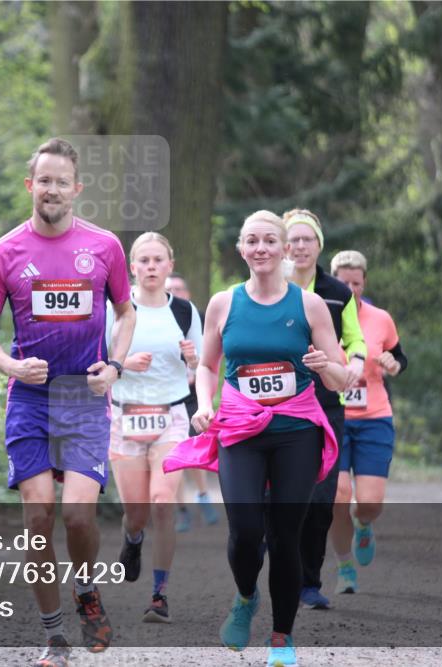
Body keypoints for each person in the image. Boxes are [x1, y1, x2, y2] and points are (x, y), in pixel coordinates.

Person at [0, 138, 136, 666]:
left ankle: (86, 590)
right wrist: (11, 365)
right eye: (44, 180)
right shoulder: (3, 252)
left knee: (78, 518)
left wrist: (113, 366)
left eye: (62, 181)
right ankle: (54, 638)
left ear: (76, 189)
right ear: (30, 186)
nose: (53, 190)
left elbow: (127, 313)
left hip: (83, 398)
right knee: (38, 516)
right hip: (31, 399)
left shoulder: (105, 246)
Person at [164, 210, 347, 667]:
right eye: (252, 241)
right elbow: (207, 366)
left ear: (285, 249)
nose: (261, 248)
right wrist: (204, 405)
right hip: (241, 429)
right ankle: (246, 597)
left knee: (286, 533)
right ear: (241, 249)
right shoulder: (224, 304)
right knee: (246, 530)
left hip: (295, 431)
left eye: (270, 240)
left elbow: (343, 377)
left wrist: (325, 367)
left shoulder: (310, 306)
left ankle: (282, 638)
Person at [107, 235, 203, 624]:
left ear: (169, 264)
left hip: (172, 417)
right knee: (137, 512)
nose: (150, 266)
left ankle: (159, 594)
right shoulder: (114, 310)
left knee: (163, 503)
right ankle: (133, 539)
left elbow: (199, 369)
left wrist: (194, 362)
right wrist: (124, 362)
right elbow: (95, 363)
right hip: (124, 416)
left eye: (157, 260)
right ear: (132, 267)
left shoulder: (184, 311)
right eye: (143, 260)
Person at [281, 209, 366, 611]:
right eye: (293, 240)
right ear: (284, 245)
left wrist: (355, 367)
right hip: (276, 403)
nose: (299, 246)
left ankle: (309, 582)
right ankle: (277, 565)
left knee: (321, 496)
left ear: (319, 245)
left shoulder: (338, 291)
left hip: (326, 403)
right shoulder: (269, 286)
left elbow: (357, 341)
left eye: (307, 239)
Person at [328, 250, 408, 596]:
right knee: (339, 494)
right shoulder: (322, 316)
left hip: (375, 417)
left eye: (356, 283)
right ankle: (345, 566)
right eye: (343, 283)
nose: (350, 288)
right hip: (335, 417)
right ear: (333, 282)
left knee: (371, 502)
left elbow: (399, 355)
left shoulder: (380, 319)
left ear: (364, 283)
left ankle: (363, 524)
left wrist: (394, 364)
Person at [165, 272, 220, 532]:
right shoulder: (151, 316)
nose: (174, 292)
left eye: (178, 288)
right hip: (164, 395)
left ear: (186, 293)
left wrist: (194, 369)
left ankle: (202, 494)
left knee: (190, 443)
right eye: (170, 289)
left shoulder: (196, 316)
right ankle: (183, 509)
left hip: (191, 392)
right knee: (172, 451)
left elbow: (209, 357)